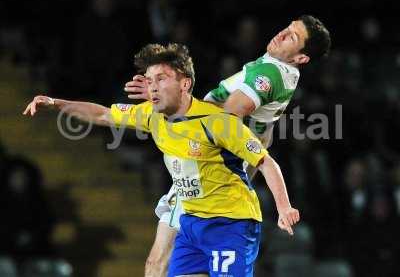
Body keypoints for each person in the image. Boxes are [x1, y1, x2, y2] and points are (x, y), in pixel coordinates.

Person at [23, 43, 299, 276]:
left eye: (162, 79)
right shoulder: (151, 115)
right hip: (191, 221)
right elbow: (102, 114)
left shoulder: (217, 122)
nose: (152, 87)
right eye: (149, 80)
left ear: (185, 84)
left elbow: (265, 161)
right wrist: (56, 103)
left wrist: (283, 208)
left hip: (230, 223)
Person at [125, 15, 331, 276]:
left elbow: (224, 119)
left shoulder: (270, 74)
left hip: (206, 170)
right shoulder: (281, 71)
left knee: (157, 262)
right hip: (219, 174)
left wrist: (163, 97)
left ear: (301, 58)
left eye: (292, 37)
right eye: (287, 28)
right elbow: (263, 134)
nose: (281, 34)